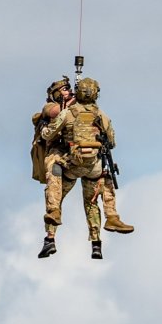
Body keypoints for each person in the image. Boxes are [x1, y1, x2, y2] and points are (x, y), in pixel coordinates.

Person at [35, 74, 132, 259]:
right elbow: (112, 141)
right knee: (92, 202)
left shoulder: (67, 113)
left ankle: (50, 237)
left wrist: (44, 129)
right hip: (93, 168)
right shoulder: (101, 114)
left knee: (54, 182)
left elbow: (48, 135)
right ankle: (99, 240)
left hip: (72, 165)